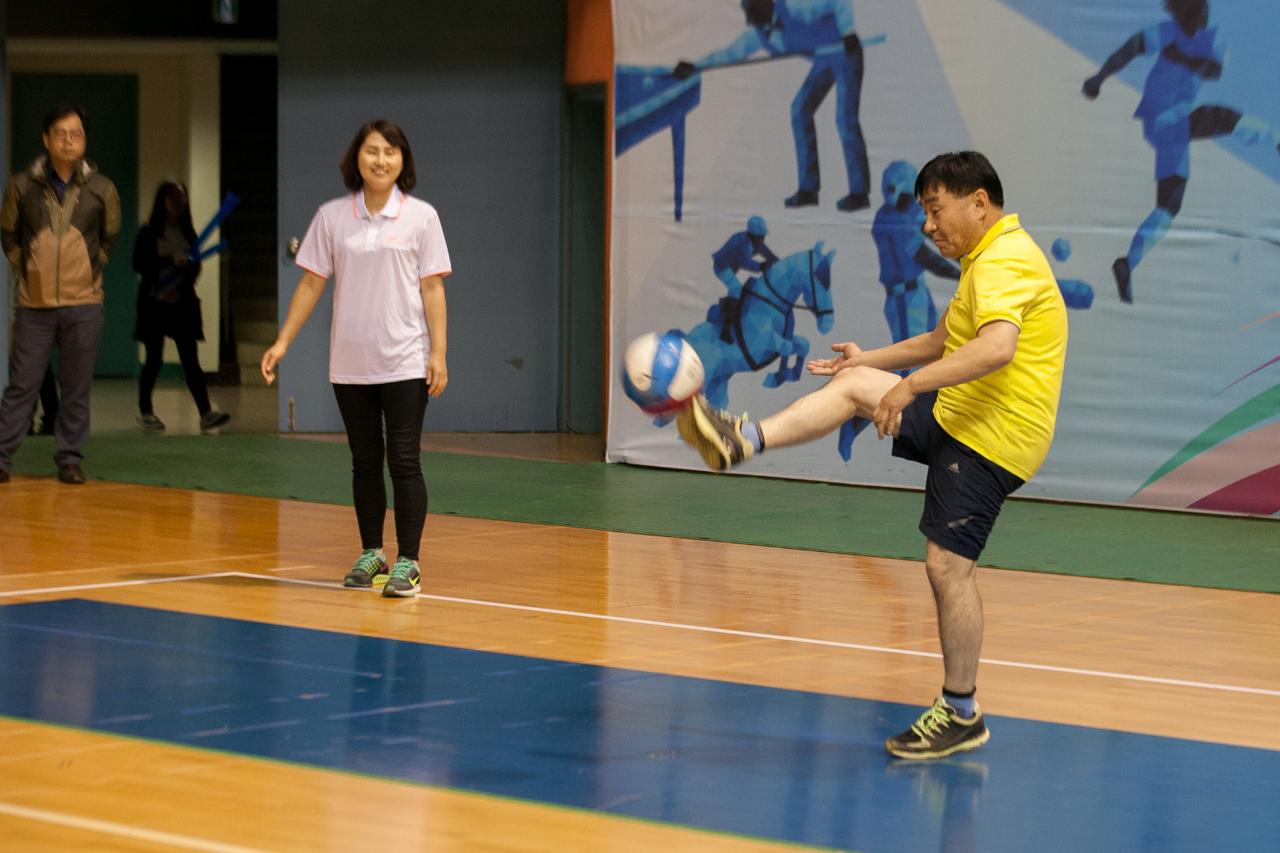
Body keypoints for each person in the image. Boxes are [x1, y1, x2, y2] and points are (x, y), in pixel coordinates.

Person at [677, 152, 1068, 759]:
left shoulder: (1006, 259)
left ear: (979, 203)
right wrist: (872, 363)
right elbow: (944, 341)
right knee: (853, 388)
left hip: (992, 434)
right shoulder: (984, 262)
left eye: (937, 211)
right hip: (961, 412)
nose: (929, 227)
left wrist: (911, 386)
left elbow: (996, 349)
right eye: (925, 214)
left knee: (947, 568)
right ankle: (741, 439)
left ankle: (961, 713)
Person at [261, 119, 451, 599]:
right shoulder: (331, 217)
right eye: (372, 151)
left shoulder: (421, 217)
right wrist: (282, 342)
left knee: (403, 460)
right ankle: (373, 552)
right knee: (364, 461)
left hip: (406, 359)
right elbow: (310, 283)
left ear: (402, 161)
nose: (380, 159)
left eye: (390, 151)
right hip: (350, 362)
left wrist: (439, 353)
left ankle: (408, 560)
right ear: (356, 159)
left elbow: (432, 287)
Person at [1083, 0, 1280, 303]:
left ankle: (1128, 262)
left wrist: (1187, 57)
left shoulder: (1207, 40)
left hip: (1173, 125)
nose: (1199, 16)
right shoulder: (1168, 32)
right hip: (1163, 119)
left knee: (1169, 204)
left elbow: (1213, 69)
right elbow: (1130, 48)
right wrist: (1099, 77)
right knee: (1220, 116)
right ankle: (1275, 139)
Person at [0, 104, 121, 485]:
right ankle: (1, 458)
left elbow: (109, 240)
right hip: (34, 307)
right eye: (61, 133)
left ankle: (69, 459)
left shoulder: (102, 189)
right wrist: (29, 270)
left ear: (84, 140)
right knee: (22, 385)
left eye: (77, 134)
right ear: (46, 139)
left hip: (84, 304)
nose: (69, 141)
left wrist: (87, 269)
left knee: (76, 387)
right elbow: (9, 236)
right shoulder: (21, 186)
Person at [675, 0, 871, 211]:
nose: (747, 11)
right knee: (800, 110)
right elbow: (730, 54)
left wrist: (848, 31)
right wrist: (695, 67)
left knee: (844, 118)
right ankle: (808, 189)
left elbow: (837, 1)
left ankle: (859, 194)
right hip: (825, 60)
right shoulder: (758, 33)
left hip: (846, 53)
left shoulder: (795, 8)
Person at [132, 180, 230, 433]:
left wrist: (180, 285)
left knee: (190, 359)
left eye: (182, 199)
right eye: (173, 198)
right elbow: (140, 263)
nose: (178, 204)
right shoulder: (149, 231)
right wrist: (168, 263)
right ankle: (146, 411)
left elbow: (195, 267)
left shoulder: (189, 233)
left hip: (182, 303)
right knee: (154, 358)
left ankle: (206, 412)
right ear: (163, 201)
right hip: (154, 303)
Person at [706, 215, 779, 343]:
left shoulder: (757, 243)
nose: (762, 240)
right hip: (722, 266)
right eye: (760, 238)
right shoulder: (739, 241)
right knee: (736, 290)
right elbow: (742, 261)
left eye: (763, 237)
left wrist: (779, 264)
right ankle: (726, 330)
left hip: (732, 267)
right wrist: (760, 266)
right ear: (752, 235)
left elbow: (769, 254)